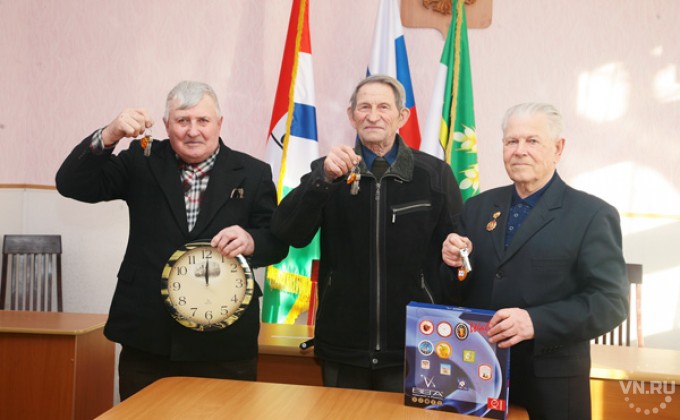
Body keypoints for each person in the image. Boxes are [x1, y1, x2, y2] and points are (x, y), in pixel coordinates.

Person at [56, 80, 288, 400]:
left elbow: (276, 241)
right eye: (182, 120)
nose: (193, 131)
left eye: (203, 120)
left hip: (225, 342)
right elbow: (71, 184)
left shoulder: (253, 172)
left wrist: (251, 241)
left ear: (219, 124)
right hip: (147, 335)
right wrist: (109, 134)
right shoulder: (141, 160)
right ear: (166, 125)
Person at [271, 74, 464, 392]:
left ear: (402, 116)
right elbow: (288, 231)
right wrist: (323, 180)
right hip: (343, 347)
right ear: (351, 115)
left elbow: (458, 253)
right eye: (364, 107)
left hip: (416, 346)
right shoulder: (328, 170)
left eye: (383, 107)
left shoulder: (434, 175)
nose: (373, 116)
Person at [442, 102, 629, 419]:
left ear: (558, 148)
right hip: (478, 375)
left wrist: (535, 322)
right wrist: (453, 263)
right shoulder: (477, 207)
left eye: (532, 141)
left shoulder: (592, 215)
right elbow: (455, 289)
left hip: (552, 386)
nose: (520, 151)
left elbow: (611, 303)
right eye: (511, 141)